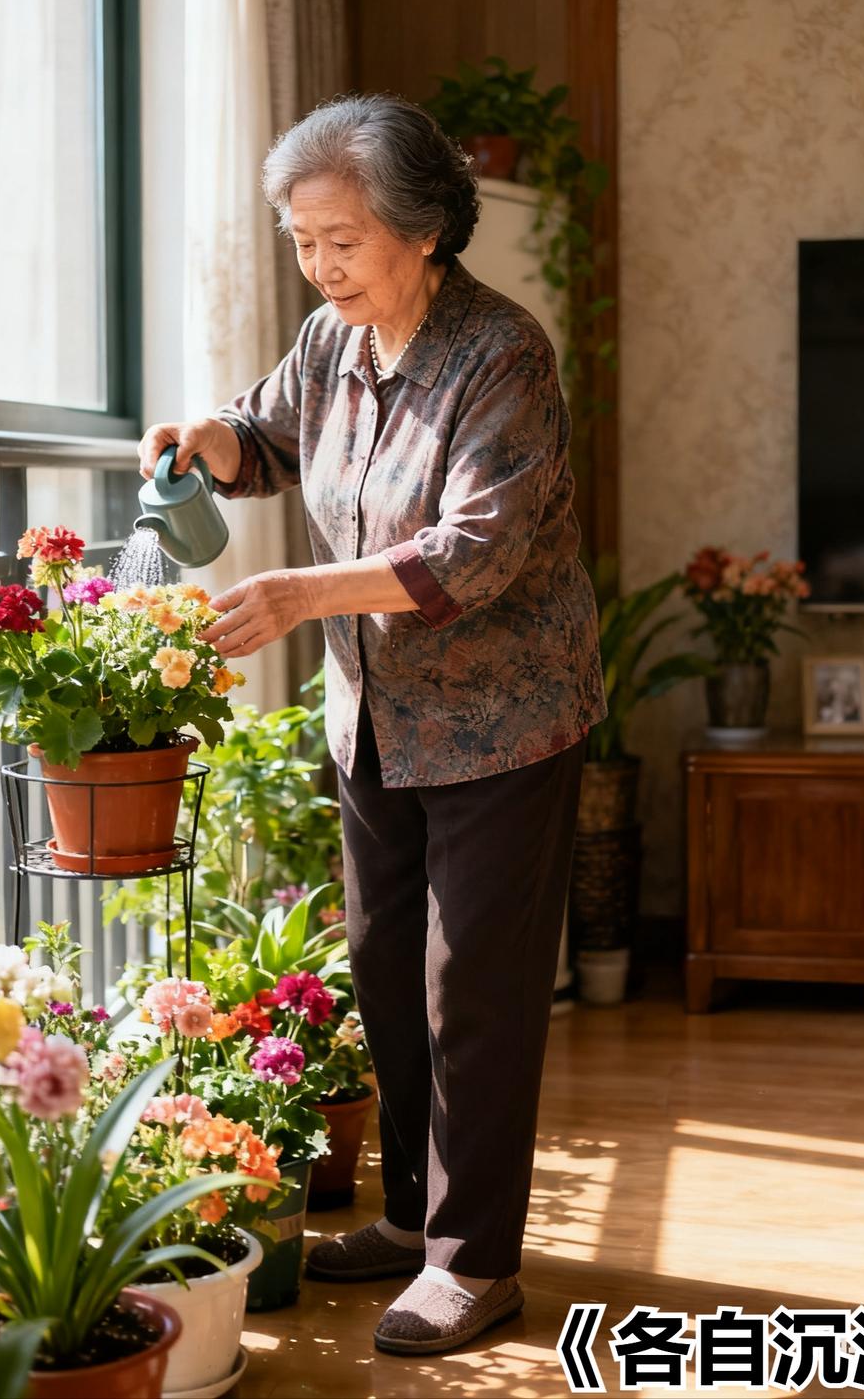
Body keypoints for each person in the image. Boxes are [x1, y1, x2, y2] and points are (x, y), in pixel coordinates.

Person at [139, 93, 607, 1356]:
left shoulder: (500, 353)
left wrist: (301, 594)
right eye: (302, 241)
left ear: (421, 227)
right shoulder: (331, 337)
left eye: (340, 240)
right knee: (387, 973)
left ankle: (475, 1260)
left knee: (474, 990)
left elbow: (473, 551)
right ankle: (410, 1217)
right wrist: (208, 439)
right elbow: (267, 438)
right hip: (377, 717)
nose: (319, 265)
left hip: (504, 720)